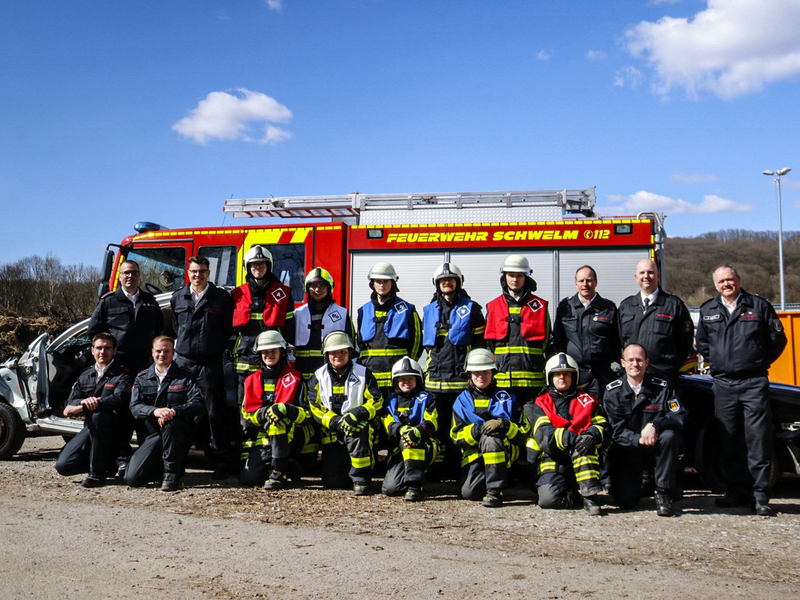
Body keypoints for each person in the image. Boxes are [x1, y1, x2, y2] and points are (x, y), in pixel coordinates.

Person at [695, 265, 787, 516]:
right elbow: (703, 343)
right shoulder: (708, 310)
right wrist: (718, 362)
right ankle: (736, 492)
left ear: (738, 280)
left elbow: (778, 340)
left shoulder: (758, 306)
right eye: (721, 281)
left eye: (730, 279)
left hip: (754, 383)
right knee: (729, 439)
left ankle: (760, 496)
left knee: (757, 440)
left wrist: (759, 361)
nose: (726, 284)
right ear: (716, 285)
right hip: (723, 384)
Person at [170, 255, 236, 479]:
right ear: (188, 273)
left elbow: (227, 329)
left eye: (202, 271)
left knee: (214, 414)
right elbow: (176, 328)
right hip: (183, 363)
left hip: (209, 364)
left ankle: (221, 463)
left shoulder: (221, 298)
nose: (197, 275)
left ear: (209, 273)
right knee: (181, 412)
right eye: (194, 271)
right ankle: (176, 463)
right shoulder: (178, 297)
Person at [603, 343, 685, 516]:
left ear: (647, 362)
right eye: (630, 360)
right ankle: (635, 485)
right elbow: (615, 429)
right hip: (629, 449)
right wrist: (637, 439)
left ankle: (663, 493)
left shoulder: (663, 387)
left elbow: (678, 415)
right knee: (626, 502)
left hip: (656, 446)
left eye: (639, 360)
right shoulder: (612, 392)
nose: (635, 364)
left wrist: (656, 425)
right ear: (622, 363)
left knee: (669, 436)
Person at [422, 262, 485, 479]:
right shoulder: (429, 310)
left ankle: (458, 469)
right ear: (437, 284)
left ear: (458, 282)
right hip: (434, 381)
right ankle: (437, 470)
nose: (446, 283)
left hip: (460, 381)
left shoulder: (473, 308)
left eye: (450, 280)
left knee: (459, 425)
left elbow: (479, 344)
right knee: (437, 426)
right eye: (442, 281)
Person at [450, 349, 530, 508]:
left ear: (493, 372)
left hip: (503, 453)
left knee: (491, 438)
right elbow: (456, 436)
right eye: (476, 372)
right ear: (469, 374)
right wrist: (477, 430)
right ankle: (495, 482)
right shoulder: (462, 401)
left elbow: (523, 432)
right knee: (469, 493)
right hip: (474, 455)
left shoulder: (507, 398)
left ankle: (495, 492)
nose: (481, 376)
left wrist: (504, 425)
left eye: (486, 371)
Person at [529, 353, 607, 515]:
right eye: (557, 374)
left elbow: (601, 424)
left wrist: (591, 436)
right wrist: (571, 437)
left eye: (566, 374)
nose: (562, 377)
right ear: (550, 377)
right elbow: (544, 435)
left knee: (585, 446)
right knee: (548, 501)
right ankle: (573, 495)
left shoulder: (588, 400)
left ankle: (590, 496)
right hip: (553, 458)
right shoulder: (540, 403)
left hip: (580, 455)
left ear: (574, 377)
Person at [307, 331, 384, 495]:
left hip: (358, 430)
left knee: (358, 433)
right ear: (327, 354)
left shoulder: (364, 374)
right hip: (332, 433)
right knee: (333, 481)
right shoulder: (318, 377)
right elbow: (315, 407)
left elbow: (376, 402)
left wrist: (358, 414)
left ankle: (361, 479)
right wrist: (335, 422)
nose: (338, 356)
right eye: (334, 352)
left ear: (350, 353)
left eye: (343, 352)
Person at [125, 336, 205, 492]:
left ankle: (172, 474)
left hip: (177, 432)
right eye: (158, 351)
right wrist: (155, 411)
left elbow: (198, 404)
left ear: (173, 353)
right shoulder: (141, 378)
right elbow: (134, 407)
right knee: (133, 479)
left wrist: (174, 411)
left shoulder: (185, 376)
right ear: (152, 352)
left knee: (171, 423)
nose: (162, 355)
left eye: (166, 351)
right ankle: (162, 468)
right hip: (152, 436)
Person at [55, 333, 133, 487]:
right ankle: (108, 465)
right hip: (91, 430)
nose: (102, 352)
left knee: (99, 415)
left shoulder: (123, 374)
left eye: (107, 348)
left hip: (115, 430)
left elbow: (119, 400)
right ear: (92, 350)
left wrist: (89, 405)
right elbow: (68, 407)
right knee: (63, 466)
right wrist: (84, 402)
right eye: (99, 348)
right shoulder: (85, 375)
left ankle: (97, 474)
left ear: (114, 351)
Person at [239, 330, 315, 490]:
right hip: (264, 436)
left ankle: (278, 474)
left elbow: (308, 415)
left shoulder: (295, 379)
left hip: (293, 435)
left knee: (277, 422)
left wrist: (287, 410)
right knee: (249, 479)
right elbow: (245, 417)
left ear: (282, 352)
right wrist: (264, 414)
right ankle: (286, 464)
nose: (269, 355)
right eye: (265, 351)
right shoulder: (250, 381)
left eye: (273, 351)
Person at [484, 254, 550, 410]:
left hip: (533, 382)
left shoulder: (539, 306)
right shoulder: (493, 307)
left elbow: (546, 341)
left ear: (526, 277)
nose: (515, 279)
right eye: (511, 275)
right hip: (503, 381)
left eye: (519, 275)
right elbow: (490, 345)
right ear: (504, 277)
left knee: (534, 425)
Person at [618, 259, 694, 383]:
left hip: (665, 377)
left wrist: (670, 366)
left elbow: (685, 342)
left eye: (650, 272)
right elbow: (620, 340)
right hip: (634, 378)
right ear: (636, 277)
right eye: (642, 273)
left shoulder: (674, 305)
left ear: (658, 276)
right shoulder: (626, 306)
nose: (646, 276)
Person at [231, 245, 294, 396]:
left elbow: (290, 328)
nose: (257, 267)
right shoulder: (237, 294)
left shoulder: (283, 294)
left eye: (261, 263)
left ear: (268, 266)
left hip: (273, 358)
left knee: (274, 399)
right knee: (244, 402)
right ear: (248, 267)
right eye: (254, 264)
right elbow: (230, 329)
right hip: (245, 359)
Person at [356, 262, 422, 399]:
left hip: (398, 378)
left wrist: (407, 368)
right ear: (372, 283)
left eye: (386, 281)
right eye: (378, 281)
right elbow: (359, 343)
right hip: (370, 377)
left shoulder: (407, 310)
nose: (382, 285)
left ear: (392, 283)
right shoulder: (363, 311)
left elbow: (417, 342)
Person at [553, 265, 621, 396]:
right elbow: (558, 338)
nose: (585, 284)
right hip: (574, 374)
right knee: (575, 412)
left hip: (602, 375)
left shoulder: (609, 308)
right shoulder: (565, 307)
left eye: (589, 280)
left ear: (596, 282)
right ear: (576, 283)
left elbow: (617, 340)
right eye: (581, 281)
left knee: (602, 412)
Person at [87, 260, 163, 373]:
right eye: (126, 273)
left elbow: (159, 329)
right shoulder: (108, 302)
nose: (130, 276)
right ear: (120, 276)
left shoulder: (150, 301)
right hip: (116, 363)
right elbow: (94, 331)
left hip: (144, 363)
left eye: (134, 272)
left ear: (139, 275)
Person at [381, 357, 439, 502]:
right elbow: (387, 422)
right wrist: (400, 429)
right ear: (395, 382)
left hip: (423, 444)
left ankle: (415, 487)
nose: (406, 382)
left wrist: (418, 430)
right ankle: (410, 475)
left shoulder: (427, 398)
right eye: (402, 379)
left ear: (418, 380)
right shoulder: (390, 401)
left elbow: (432, 420)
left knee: (411, 441)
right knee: (391, 489)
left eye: (410, 378)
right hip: (399, 448)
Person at [293, 267, 354, 381]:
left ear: (329, 288)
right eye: (313, 286)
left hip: (331, 377)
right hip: (301, 375)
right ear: (307, 288)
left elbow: (352, 346)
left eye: (322, 286)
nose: (317, 289)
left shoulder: (342, 314)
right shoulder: (298, 314)